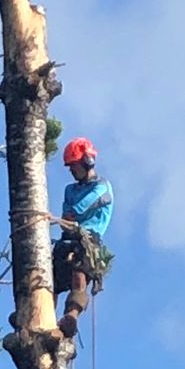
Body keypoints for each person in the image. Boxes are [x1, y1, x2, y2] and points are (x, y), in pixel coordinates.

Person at [54, 135, 113, 340]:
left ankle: (71, 317)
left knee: (79, 273)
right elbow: (66, 212)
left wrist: (71, 218)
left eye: (74, 166)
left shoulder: (103, 187)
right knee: (50, 277)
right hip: (68, 237)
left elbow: (81, 207)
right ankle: (43, 317)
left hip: (88, 239)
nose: (71, 171)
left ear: (87, 162)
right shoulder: (70, 189)